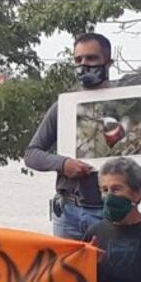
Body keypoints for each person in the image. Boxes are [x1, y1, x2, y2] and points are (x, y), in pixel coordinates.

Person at [25, 32, 115, 240]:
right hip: (67, 213)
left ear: (108, 62)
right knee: (66, 274)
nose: (84, 64)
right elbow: (32, 154)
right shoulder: (64, 106)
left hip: (109, 215)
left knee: (105, 273)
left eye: (91, 58)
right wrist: (63, 164)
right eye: (78, 59)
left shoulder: (131, 103)